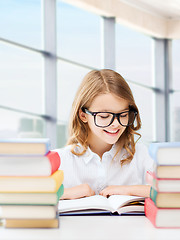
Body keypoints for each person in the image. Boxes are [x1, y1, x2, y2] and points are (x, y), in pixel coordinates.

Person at [57, 69, 154, 200]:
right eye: (104, 116)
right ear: (83, 115)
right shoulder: (62, 160)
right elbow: (28, 196)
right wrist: (66, 193)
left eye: (123, 115)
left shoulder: (141, 155)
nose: (115, 124)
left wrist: (128, 190)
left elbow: (170, 191)